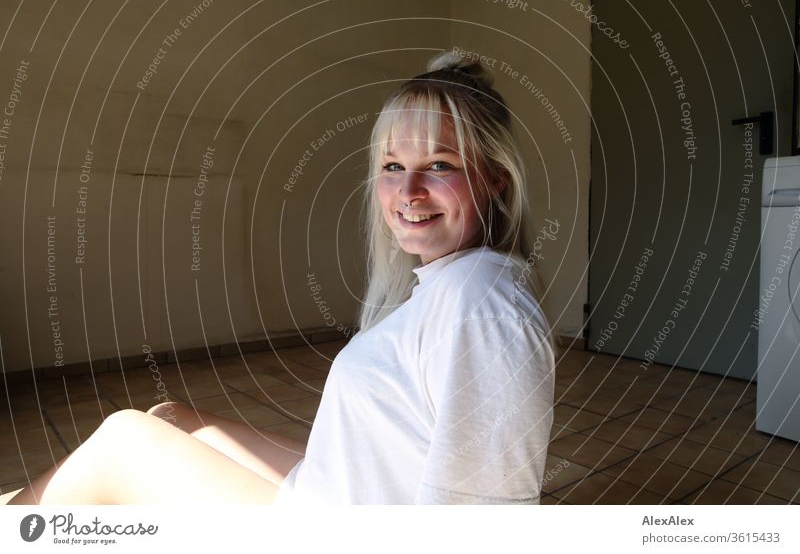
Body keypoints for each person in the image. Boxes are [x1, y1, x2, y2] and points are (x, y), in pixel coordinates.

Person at [3, 50, 555, 506]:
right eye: (391, 166)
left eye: (439, 165)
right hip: (335, 495)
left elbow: (485, 518)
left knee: (124, 441)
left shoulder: (482, 303)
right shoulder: (454, 282)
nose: (407, 191)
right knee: (169, 417)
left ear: (495, 180)